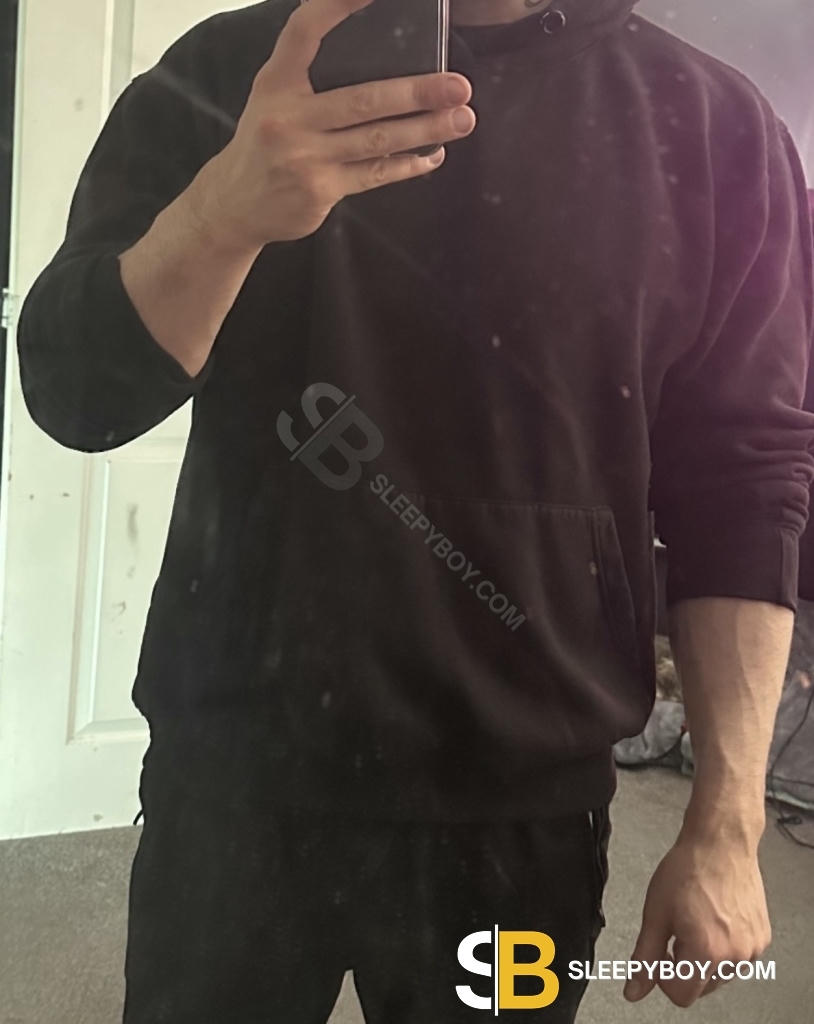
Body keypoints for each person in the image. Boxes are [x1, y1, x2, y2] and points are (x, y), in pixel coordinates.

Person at [16, 0, 814, 1019]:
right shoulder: (228, 71)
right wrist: (222, 215)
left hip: (522, 813)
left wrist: (728, 824)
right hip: (231, 783)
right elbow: (75, 397)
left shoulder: (713, 128)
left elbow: (744, 488)